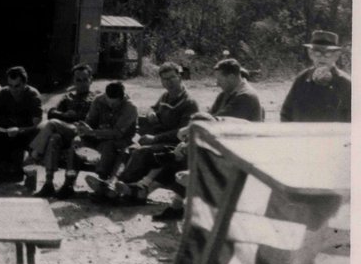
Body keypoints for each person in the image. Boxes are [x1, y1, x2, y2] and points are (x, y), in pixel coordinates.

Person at [140, 58, 264, 219]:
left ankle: (156, 194)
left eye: (219, 79)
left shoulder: (245, 96)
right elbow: (211, 118)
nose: (217, 83)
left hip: (239, 149)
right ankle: (161, 197)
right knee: (180, 155)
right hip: (224, 143)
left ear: (232, 77)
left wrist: (188, 139)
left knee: (183, 157)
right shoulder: (227, 93)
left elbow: (216, 125)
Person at [97, 62, 199, 199]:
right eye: (165, 79)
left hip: (174, 146)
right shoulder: (165, 96)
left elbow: (182, 133)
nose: (169, 82)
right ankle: (115, 184)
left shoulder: (189, 102)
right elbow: (154, 108)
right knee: (129, 148)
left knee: (141, 152)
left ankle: (117, 188)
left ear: (180, 77)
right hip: (158, 139)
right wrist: (151, 112)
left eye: (172, 78)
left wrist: (155, 138)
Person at [32, 63, 96, 198]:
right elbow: (51, 112)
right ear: (73, 81)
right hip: (66, 131)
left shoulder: (96, 98)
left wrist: (72, 116)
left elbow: (91, 118)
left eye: (85, 79)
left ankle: (36, 153)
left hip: (85, 133)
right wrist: (66, 116)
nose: (82, 83)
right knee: (54, 138)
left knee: (53, 124)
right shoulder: (68, 97)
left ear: (91, 79)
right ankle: (49, 183)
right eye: (78, 80)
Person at [0, 66, 43, 183]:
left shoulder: (33, 95)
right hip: (6, 130)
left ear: (25, 83)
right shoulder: (4, 92)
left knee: (22, 138)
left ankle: (16, 172)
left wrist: (19, 130)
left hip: (25, 131)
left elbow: (36, 125)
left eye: (17, 86)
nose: (13, 89)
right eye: (10, 85)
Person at [77, 81, 138, 200]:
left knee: (117, 149)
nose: (110, 105)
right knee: (76, 141)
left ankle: (103, 184)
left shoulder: (130, 107)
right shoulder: (99, 100)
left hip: (123, 140)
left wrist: (92, 132)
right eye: (107, 101)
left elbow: (117, 133)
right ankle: (102, 186)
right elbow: (90, 122)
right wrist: (84, 128)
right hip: (101, 139)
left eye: (114, 104)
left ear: (122, 98)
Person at [280, 30, 351, 122]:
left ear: (336, 56)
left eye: (327, 54)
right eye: (317, 53)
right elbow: (286, 113)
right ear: (310, 54)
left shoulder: (346, 84)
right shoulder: (301, 79)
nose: (322, 57)